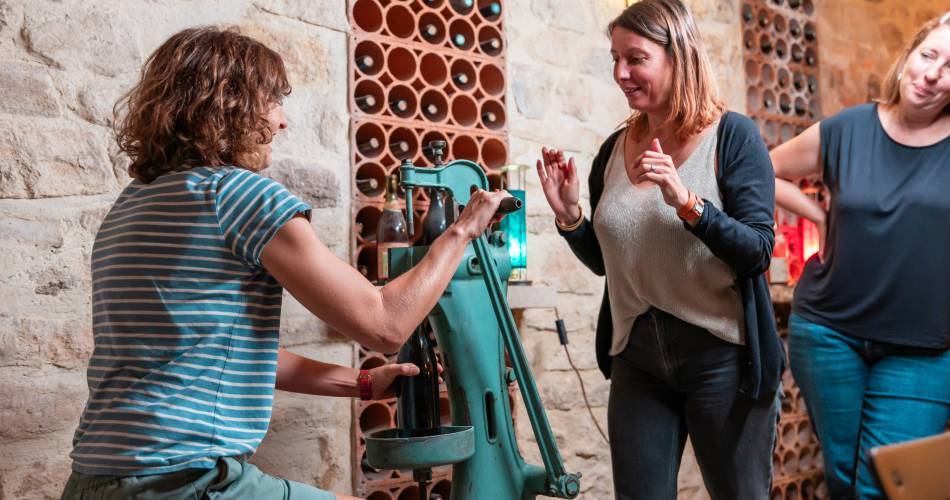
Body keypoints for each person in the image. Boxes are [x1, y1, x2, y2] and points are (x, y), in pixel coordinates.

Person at [60, 26, 509, 500]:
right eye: (273, 102)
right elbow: (385, 324)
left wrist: (361, 383)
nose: (282, 121)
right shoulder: (236, 194)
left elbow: (220, 351)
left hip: (94, 480)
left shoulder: (133, 204)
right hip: (183, 481)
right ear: (230, 105)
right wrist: (464, 230)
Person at [535, 1, 786, 498]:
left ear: (679, 56)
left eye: (635, 58)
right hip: (639, 359)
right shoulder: (613, 150)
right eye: (615, 59)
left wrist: (689, 205)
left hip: (722, 356)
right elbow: (615, 266)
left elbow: (757, 251)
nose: (620, 73)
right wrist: (570, 216)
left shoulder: (732, 138)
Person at [771, 12, 950, 499]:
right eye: (929, 55)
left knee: (893, 487)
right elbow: (765, 171)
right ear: (909, 57)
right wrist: (820, 216)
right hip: (829, 333)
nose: (933, 72)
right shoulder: (848, 129)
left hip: (923, 348)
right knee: (844, 478)